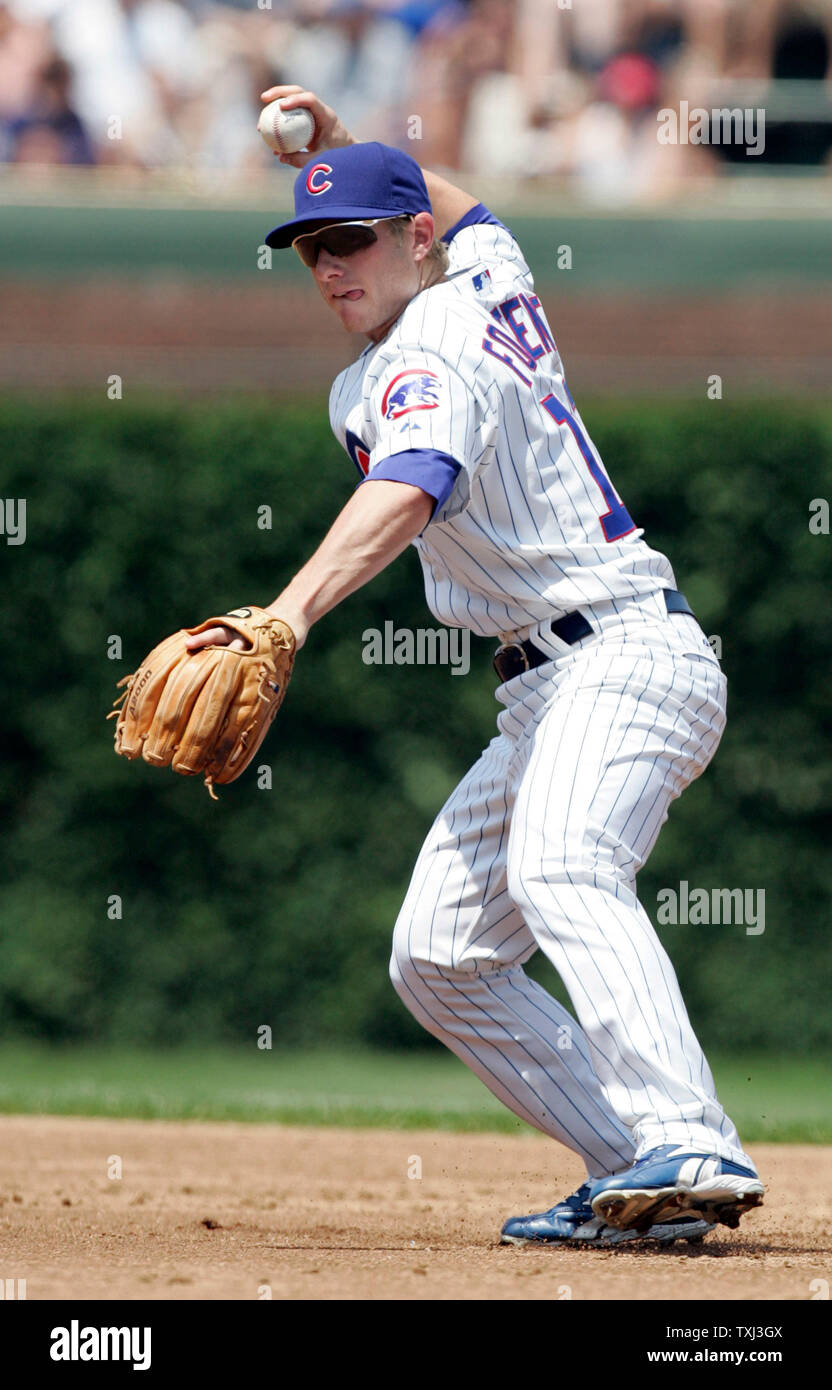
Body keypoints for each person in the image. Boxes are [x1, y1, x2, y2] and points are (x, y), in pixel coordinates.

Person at [187, 85, 764, 1247]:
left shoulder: (422, 353)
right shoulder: (491, 280)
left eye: (351, 238)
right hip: (552, 686)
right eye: (308, 248)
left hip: (620, 655)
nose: (327, 265)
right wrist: (350, 155)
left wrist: (287, 616)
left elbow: (410, 485)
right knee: (440, 954)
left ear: (410, 245)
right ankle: (636, 1177)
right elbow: (473, 210)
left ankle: (688, 1133)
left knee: (561, 866)